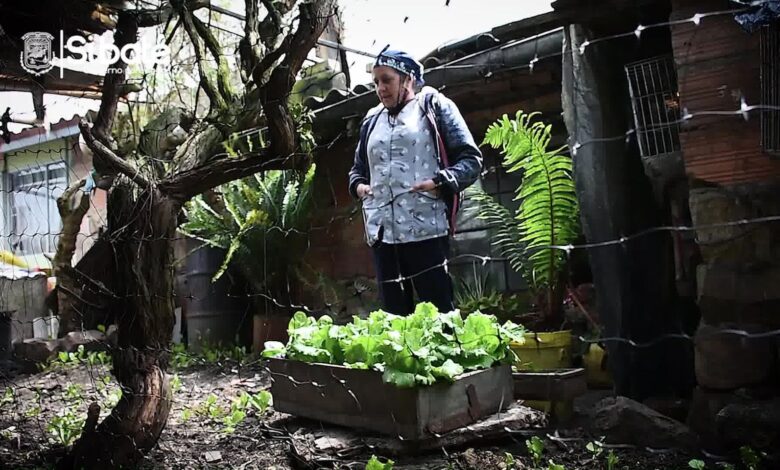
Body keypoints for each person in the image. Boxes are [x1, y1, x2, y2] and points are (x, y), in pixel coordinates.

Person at [348, 48, 483, 315]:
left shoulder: (433, 106)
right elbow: (357, 170)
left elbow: (471, 160)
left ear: (408, 79)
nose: (380, 88)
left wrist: (439, 182)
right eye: (376, 82)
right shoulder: (371, 120)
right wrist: (359, 187)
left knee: (438, 314)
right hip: (382, 233)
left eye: (387, 80)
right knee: (394, 318)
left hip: (426, 229)